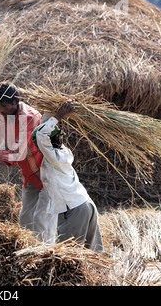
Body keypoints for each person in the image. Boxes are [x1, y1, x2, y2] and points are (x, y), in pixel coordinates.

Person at [0, 82, 53, 242]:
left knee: (41, 219)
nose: (1, 110)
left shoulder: (29, 117)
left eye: (4, 106)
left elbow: (19, 154)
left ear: (16, 102)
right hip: (30, 174)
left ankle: (48, 253)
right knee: (25, 218)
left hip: (48, 172)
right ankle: (29, 251)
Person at [33, 101, 103, 251]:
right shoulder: (63, 151)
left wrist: (58, 116)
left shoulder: (54, 157)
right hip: (86, 205)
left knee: (69, 255)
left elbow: (41, 134)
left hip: (75, 209)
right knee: (92, 254)